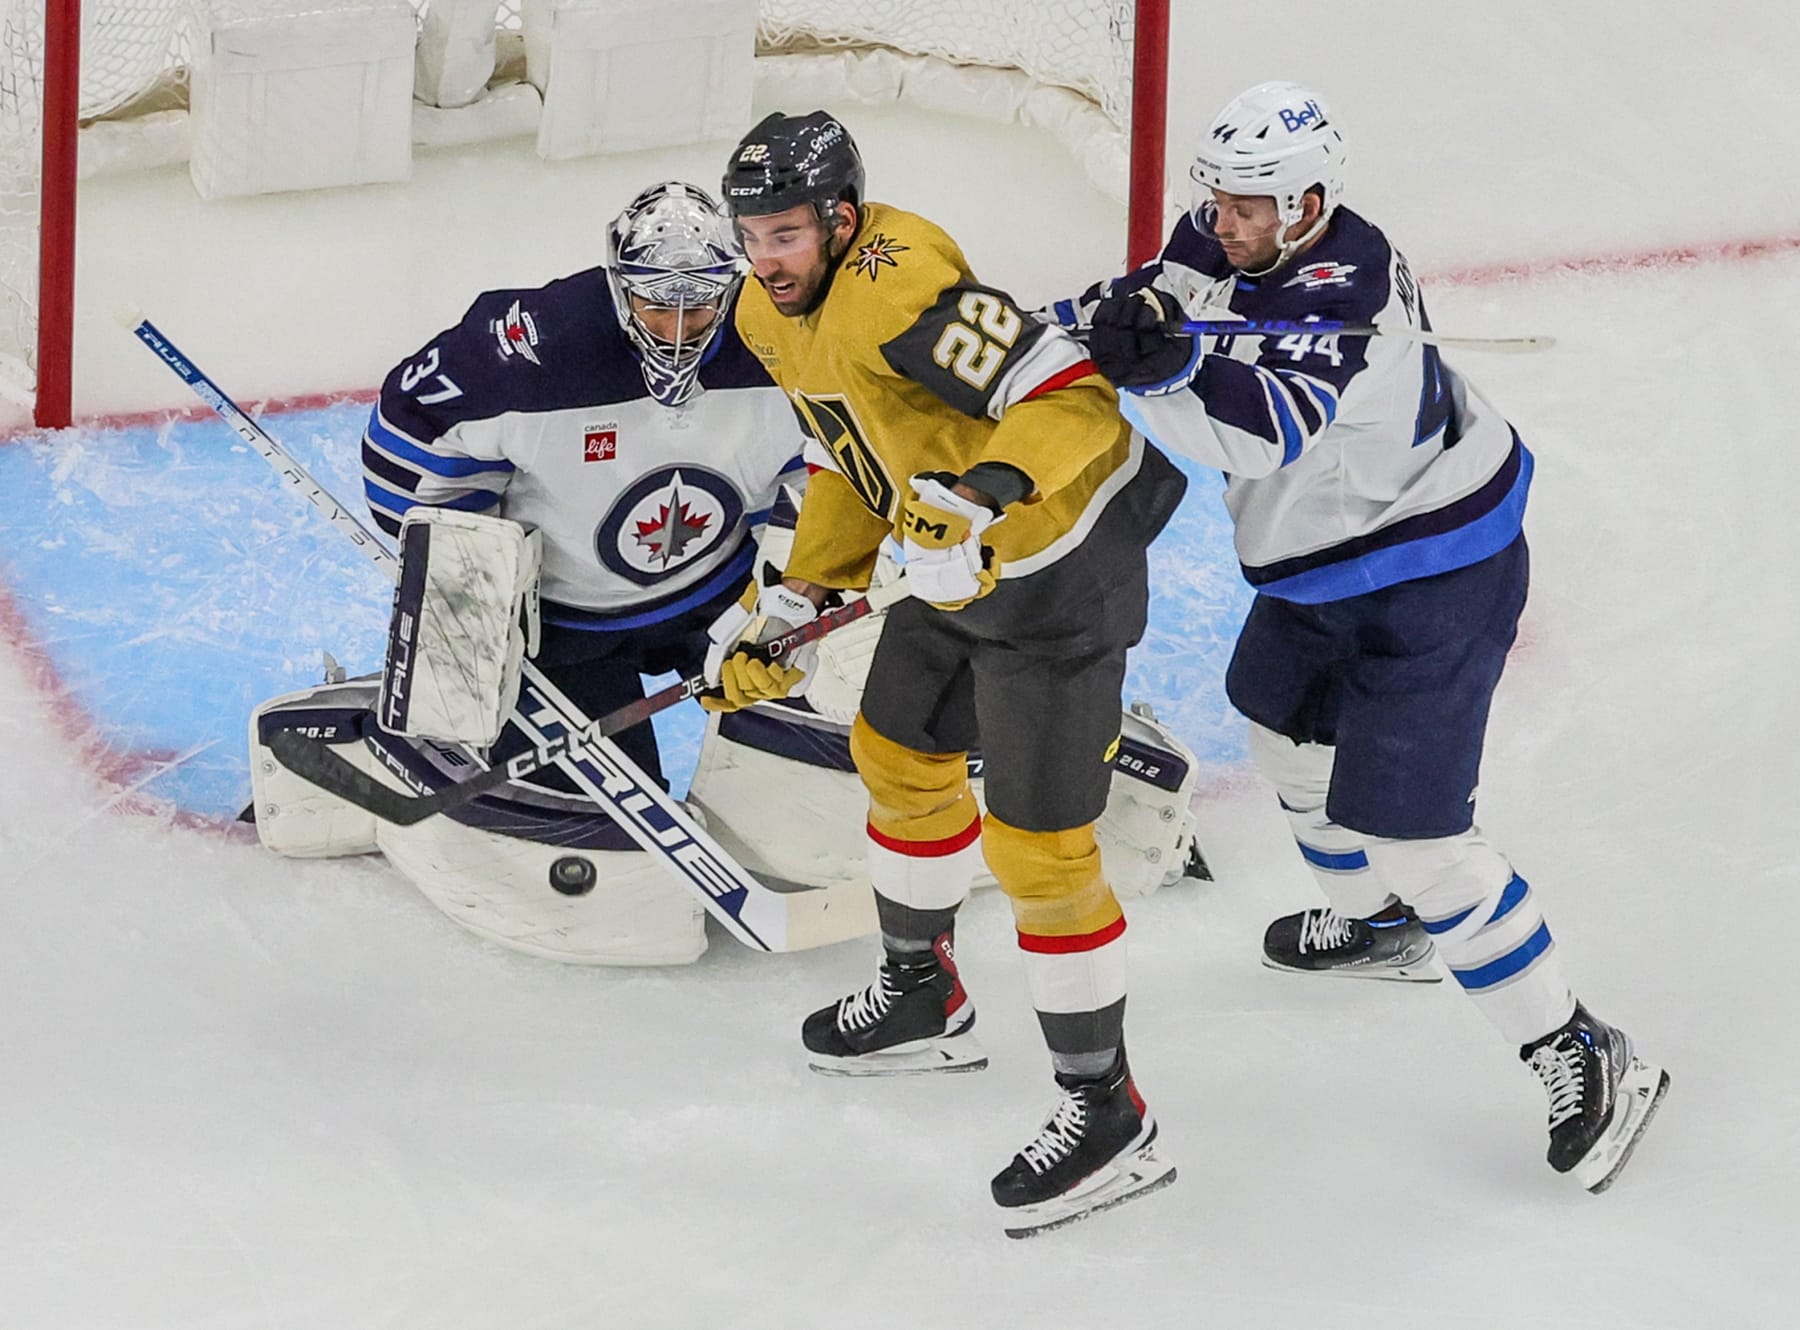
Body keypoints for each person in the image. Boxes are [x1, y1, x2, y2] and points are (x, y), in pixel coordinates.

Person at [1057, 81, 1668, 1192]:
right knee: (1282, 735)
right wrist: (1086, 319)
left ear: (1311, 202)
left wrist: (1171, 362)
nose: (1224, 221)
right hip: (1322, 567)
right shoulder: (1231, 227)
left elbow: (1261, 435)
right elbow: (1155, 293)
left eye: (1251, 207)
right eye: (1221, 200)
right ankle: (1383, 927)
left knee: (1420, 839)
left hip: (1437, 574)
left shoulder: (1346, 289)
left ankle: (1579, 1045)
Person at [704, 110, 1190, 1235]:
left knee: (1039, 847)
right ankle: (924, 992)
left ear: (836, 219)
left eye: (782, 234)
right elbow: (849, 457)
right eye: (749, 236)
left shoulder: (898, 280)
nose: (761, 259)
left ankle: (1107, 1111)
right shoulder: (765, 314)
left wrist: (979, 498)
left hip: (1061, 566)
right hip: (945, 565)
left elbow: (1070, 394)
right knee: (896, 753)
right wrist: (798, 596)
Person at [249, 181, 823, 965]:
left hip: (720, 596)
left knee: (855, 681)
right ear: (619, 287)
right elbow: (404, 435)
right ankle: (409, 725)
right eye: (659, 304)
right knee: (622, 851)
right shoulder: (533, 348)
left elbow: (829, 473)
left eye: (703, 306)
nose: (681, 329)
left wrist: (791, 591)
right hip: (570, 628)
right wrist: (458, 586)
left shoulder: (793, 337)